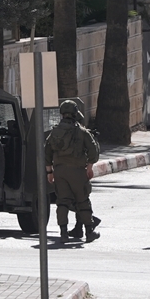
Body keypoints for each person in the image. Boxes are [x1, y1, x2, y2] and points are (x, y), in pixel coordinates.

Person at [45, 100, 101, 243]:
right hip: (77, 171)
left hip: (60, 171)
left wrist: (49, 172)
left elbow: (47, 152)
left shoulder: (54, 132)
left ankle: (63, 233)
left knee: (62, 202)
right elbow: (93, 150)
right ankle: (89, 232)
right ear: (75, 113)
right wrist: (89, 167)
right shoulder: (81, 132)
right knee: (82, 201)